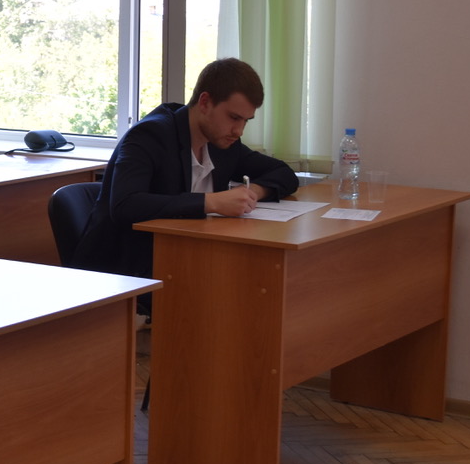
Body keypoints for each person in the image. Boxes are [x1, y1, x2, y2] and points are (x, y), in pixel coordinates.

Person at [71, 58, 299, 319]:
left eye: (246, 121)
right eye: (234, 117)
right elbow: (125, 205)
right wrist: (211, 202)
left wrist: (253, 193)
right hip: (127, 272)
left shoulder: (223, 142)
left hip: (188, 261)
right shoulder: (150, 135)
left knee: (264, 286)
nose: (239, 130)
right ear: (205, 102)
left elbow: (284, 174)